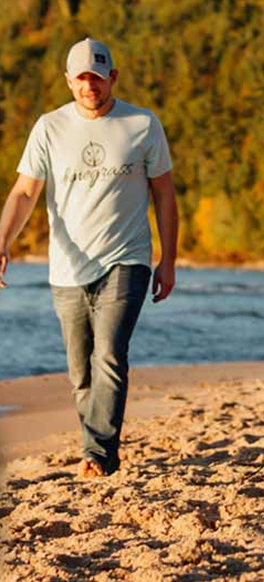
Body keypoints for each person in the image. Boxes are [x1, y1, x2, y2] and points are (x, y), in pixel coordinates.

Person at [0, 38, 178, 477]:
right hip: (67, 267)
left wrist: (168, 259)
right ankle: (98, 448)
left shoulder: (142, 123)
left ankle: (97, 454)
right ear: (68, 81)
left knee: (110, 355)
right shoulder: (49, 128)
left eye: (97, 78)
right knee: (81, 371)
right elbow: (25, 192)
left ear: (112, 77)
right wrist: (1, 242)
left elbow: (165, 195)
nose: (90, 87)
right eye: (81, 79)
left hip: (127, 258)